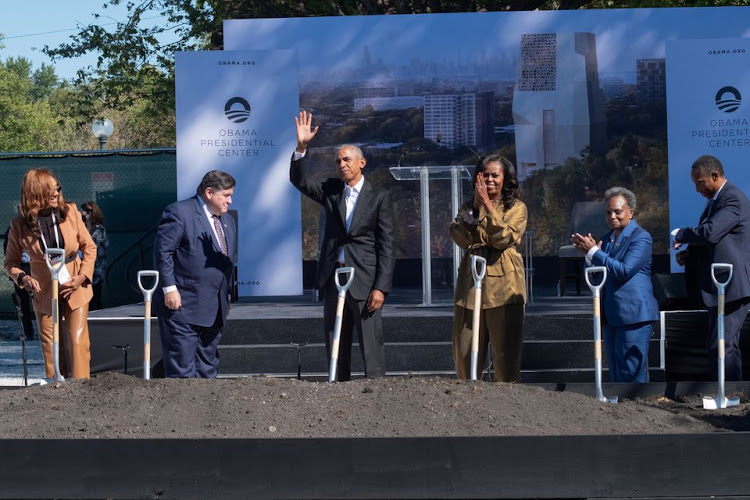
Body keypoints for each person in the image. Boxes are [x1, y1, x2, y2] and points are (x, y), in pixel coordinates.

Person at [290, 111, 395, 381]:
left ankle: (376, 393)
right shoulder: (331, 191)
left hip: (365, 280)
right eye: (338, 161)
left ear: (362, 162)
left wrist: (380, 287)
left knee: (370, 343)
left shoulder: (378, 197)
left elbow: (386, 246)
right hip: (334, 279)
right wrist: (302, 147)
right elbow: (300, 181)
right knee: (335, 339)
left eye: (347, 160)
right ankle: (338, 389)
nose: (342, 165)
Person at [3, 168, 96, 379]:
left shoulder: (71, 211)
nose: (56, 193)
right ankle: (56, 390)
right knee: (52, 343)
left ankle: (82, 388)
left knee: (77, 339)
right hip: (44, 287)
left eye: (57, 188)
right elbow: (10, 262)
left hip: (75, 282)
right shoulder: (19, 223)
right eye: (49, 189)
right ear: (34, 193)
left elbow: (89, 247)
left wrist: (82, 276)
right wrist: (23, 277)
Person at [450, 154, 527, 382]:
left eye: (495, 175)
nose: (490, 180)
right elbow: (460, 237)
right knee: (464, 352)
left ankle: (505, 406)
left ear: (506, 178)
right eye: (485, 175)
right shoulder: (468, 207)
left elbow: (503, 238)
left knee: (505, 356)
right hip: (470, 287)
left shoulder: (516, 207)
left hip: (504, 287)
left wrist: (488, 209)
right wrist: (475, 209)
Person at [672, 155, 750, 381]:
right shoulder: (717, 200)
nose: (697, 188)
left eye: (700, 182)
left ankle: (730, 395)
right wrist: (690, 255)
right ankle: (728, 394)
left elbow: (711, 232)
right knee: (721, 343)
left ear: (715, 176)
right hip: (722, 285)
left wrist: (681, 233)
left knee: (722, 344)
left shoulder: (732, 198)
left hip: (733, 286)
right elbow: (718, 241)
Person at [153, 170, 237, 378]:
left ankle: (206, 411)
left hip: (213, 309)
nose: (230, 200)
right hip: (182, 306)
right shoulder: (179, 212)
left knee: (207, 369)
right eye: (226, 195)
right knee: (182, 370)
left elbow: (226, 264)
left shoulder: (228, 221)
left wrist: (225, 299)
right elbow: (163, 252)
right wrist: (169, 289)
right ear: (209, 192)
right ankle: (180, 411)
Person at [571, 187, 659, 383]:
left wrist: (594, 252)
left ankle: (639, 413)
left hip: (634, 315)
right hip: (611, 316)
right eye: (608, 212)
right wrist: (589, 257)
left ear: (631, 212)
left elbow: (624, 270)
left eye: (618, 212)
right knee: (617, 375)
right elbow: (597, 279)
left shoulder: (641, 237)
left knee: (631, 375)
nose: (612, 216)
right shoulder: (606, 240)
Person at [3, 228, 34, 340]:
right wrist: (14, 273)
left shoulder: (37, 227)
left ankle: (45, 331)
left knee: (40, 301)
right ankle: (28, 332)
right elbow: (7, 251)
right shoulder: (13, 229)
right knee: (23, 303)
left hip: (36, 267)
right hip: (20, 267)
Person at [80, 201, 108, 310]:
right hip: (81, 269)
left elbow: (99, 252)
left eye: (83, 211)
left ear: (90, 213)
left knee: (95, 298)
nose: (81, 213)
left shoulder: (99, 230)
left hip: (95, 270)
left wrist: (85, 252)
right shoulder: (81, 228)